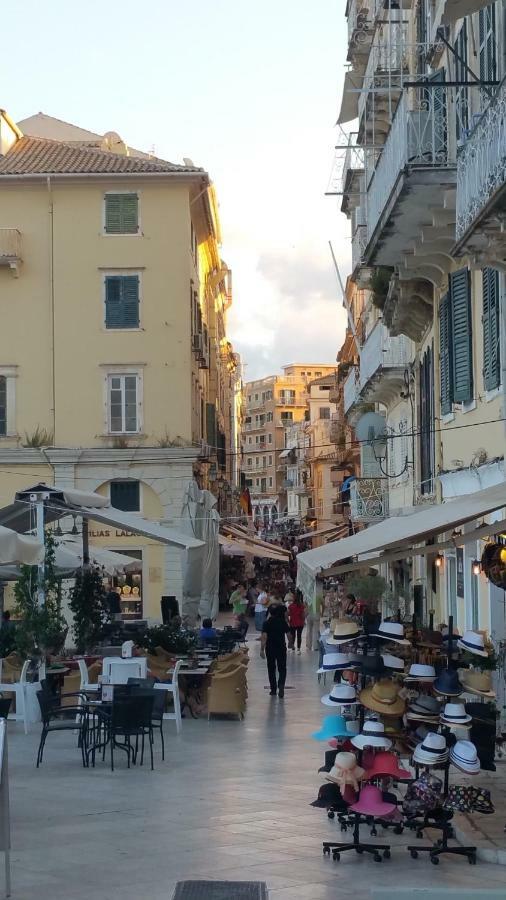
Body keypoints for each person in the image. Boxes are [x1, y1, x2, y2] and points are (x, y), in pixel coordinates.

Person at [261, 603, 290, 698]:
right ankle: (281, 684)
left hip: (270, 648)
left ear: (269, 613)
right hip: (281, 647)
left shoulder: (266, 623)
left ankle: (273, 689)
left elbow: (264, 637)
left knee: (271, 668)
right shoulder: (282, 622)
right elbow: (288, 634)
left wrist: (262, 649)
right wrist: (290, 643)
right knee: (282, 668)